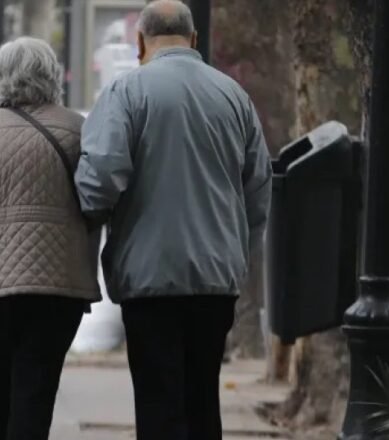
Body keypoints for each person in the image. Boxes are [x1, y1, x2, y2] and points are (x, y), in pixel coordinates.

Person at [75, 1, 273, 438]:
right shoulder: (234, 97)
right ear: (194, 40)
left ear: (140, 41)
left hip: (150, 279)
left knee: (158, 402)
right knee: (203, 398)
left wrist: (88, 216)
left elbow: (101, 179)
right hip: (215, 278)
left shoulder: (127, 93)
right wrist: (236, 254)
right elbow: (258, 190)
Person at [0, 37, 101, 440]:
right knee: (37, 389)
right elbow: (96, 202)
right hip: (58, 286)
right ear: (51, 75)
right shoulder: (79, 129)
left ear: (0, 77)